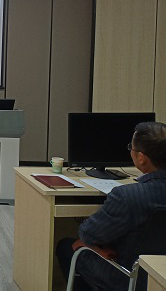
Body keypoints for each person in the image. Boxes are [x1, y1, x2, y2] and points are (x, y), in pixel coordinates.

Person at [56, 121, 166, 291]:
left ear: (141, 158)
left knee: (67, 246)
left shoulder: (126, 196)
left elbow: (88, 234)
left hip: (127, 276)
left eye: (131, 147)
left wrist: (98, 246)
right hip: (160, 274)